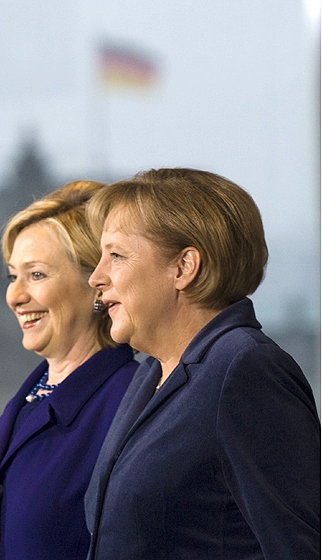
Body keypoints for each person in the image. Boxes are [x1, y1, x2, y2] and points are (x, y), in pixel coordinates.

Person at [83, 167, 320, 560]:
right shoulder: (149, 375)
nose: (96, 277)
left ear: (184, 267)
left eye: (116, 256)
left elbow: (297, 547)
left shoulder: (246, 368)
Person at [0, 180, 139, 560]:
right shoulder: (27, 401)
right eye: (13, 276)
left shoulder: (131, 402)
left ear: (97, 285)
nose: (15, 295)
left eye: (37, 275)